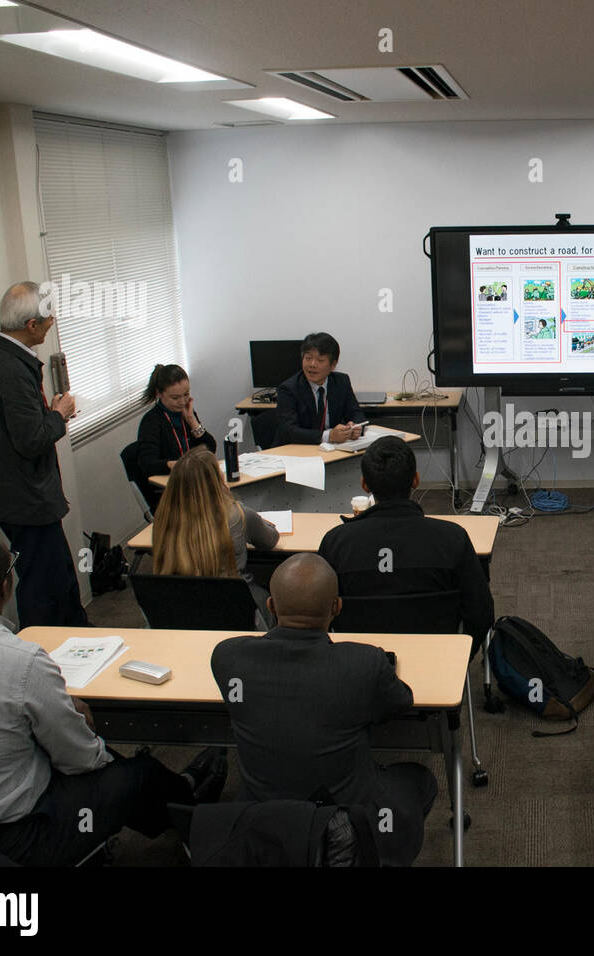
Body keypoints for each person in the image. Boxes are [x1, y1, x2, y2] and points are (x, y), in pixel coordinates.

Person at [0, 531, 224, 865]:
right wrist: (74, 719)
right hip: (4, 842)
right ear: (4, 587)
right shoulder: (21, 661)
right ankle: (194, 817)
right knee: (136, 774)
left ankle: (176, 797)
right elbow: (81, 760)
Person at [211, 553, 437, 866]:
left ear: (271, 606)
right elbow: (401, 703)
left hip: (262, 814)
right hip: (343, 822)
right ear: (336, 607)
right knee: (420, 780)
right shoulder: (365, 663)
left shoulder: (227, 657)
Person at [0, 280, 87, 628]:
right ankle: (47, 649)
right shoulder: (11, 370)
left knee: (58, 573)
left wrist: (47, 415)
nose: (52, 326)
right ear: (31, 325)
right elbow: (31, 441)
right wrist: (59, 414)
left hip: (16, 496)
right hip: (27, 499)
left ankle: (78, 635)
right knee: (44, 585)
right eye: (49, 321)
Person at [319, 437, 493, 648]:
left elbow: (318, 612)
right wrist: (461, 657)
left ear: (364, 485)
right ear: (416, 480)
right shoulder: (453, 538)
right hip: (437, 660)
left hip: (356, 665)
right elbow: (481, 613)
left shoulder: (335, 543)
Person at [151, 449, 278, 623]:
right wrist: (263, 522)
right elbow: (270, 540)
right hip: (234, 603)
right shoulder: (237, 514)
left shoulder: (163, 518)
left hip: (177, 604)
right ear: (216, 481)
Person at [274, 332, 363, 445]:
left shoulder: (341, 382)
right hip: (298, 450)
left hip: (332, 449)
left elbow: (356, 413)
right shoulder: (288, 389)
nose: (312, 364)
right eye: (308, 358)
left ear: (333, 365)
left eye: (320, 360)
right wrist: (327, 436)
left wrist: (355, 426)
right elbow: (288, 431)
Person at [135, 363, 216, 483]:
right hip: (171, 486)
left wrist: (192, 420)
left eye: (186, 394)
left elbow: (210, 449)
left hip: (193, 479)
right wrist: (175, 465)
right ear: (159, 393)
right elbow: (147, 464)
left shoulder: (186, 413)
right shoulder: (151, 421)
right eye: (175, 398)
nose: (182, 402)